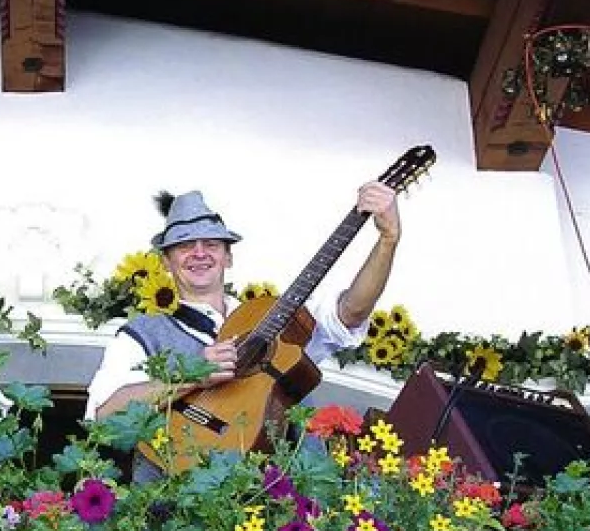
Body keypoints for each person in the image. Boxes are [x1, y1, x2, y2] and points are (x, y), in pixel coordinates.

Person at [86, 184, 401, 472]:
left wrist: (388, 240)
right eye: (185, 246)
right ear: (166, 263)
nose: (199, 253)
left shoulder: (275, 317)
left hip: (286, 507)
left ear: (228, 257)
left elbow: (351, 312)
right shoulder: (139, 335)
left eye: (211, 244)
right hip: (179, 506)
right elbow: (106, 418)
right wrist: (192, 374)